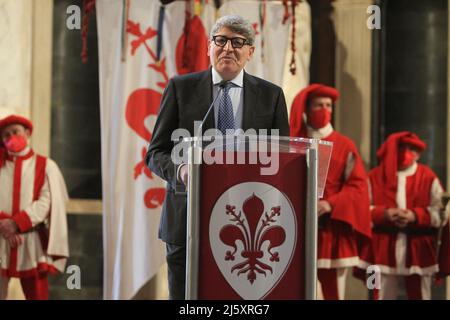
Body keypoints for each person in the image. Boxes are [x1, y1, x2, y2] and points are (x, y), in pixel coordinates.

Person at [146, 15, 289, 299]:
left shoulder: (271, 96)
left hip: (248, 227)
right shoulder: (180, 89)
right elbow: (156, 153)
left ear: (250, 52)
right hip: (187, 221)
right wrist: (182, 169)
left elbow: (283, 159)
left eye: (238, 42)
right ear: (208, 47)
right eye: (220, 40)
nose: (228, 48)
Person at [290, 84, 372, 300]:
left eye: (328, 105)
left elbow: (357, 185)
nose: (325, 109)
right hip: (298, 227)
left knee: (333, 293)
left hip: (331, 230)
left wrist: (330, 203)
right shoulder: (295, 143)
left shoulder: (345, 145)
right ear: (306, 109)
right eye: (319, 105)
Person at [366, 131, 448, 299]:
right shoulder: (374, 176)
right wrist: (384, 214)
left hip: (419, 250)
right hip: (380, 249)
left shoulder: (428, 177)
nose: (406, 153)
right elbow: (360, 210)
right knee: (377, 294)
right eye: (402, 148)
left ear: (418, 154)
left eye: (412, 149)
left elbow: (442, 213)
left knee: (421, 295)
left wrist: (415, 216)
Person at [0, 115, 69, 300]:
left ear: (28, 133)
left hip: (31, 241)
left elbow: (47, 201)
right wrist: (3, 225)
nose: (11, 137)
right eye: (6, 135)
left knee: (37, 295)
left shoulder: (46, 166)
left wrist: (16, 223)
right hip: (0, 238)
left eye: (15, 132)